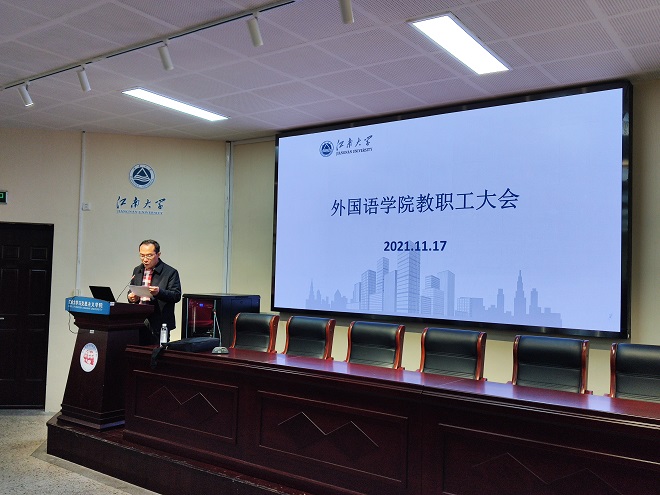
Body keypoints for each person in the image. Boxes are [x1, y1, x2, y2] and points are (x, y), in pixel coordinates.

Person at [127, 239, 181, 345]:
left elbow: (176, 295)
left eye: (149, 255)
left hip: (159, 323)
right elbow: (132, 289)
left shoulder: (170, 272)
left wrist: (159, 292)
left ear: (158, 254)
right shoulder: (137, 270)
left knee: (157, 352)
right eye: (142, 255)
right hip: (140, 320)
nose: (145, 259)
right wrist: (131, 297)